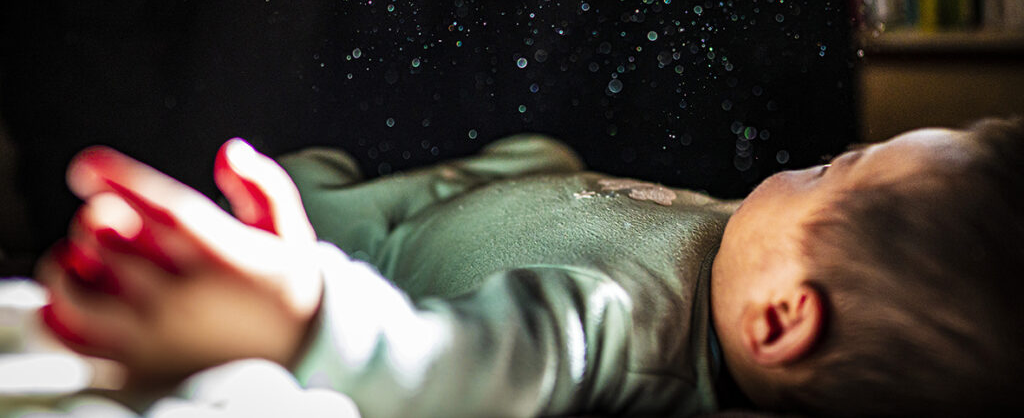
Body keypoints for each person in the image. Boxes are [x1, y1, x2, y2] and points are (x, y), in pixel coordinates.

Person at [35, 117, 1024, 417]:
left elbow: (452, 364)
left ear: (779, 320)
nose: (807, 162)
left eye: (831, 169)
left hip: (367, 250)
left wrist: (308, 309)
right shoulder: (744, 255)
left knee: (267, 187)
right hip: (478, 193)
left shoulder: (615, 329)